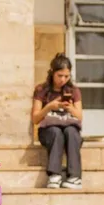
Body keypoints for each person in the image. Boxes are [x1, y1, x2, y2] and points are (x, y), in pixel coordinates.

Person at [30, 54, 84, 189]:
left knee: (71, 132)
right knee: (56, 132)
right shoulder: (42, 90)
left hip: (69, 129)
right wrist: (49, 106)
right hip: (49, 131)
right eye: (60, 75)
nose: (63, 79)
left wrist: (70, 108)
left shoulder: (73, 90)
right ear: (52, 73)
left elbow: (80, 116)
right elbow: (35, 118)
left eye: (66, 76)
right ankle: (54, 175)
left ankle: (75, 177)